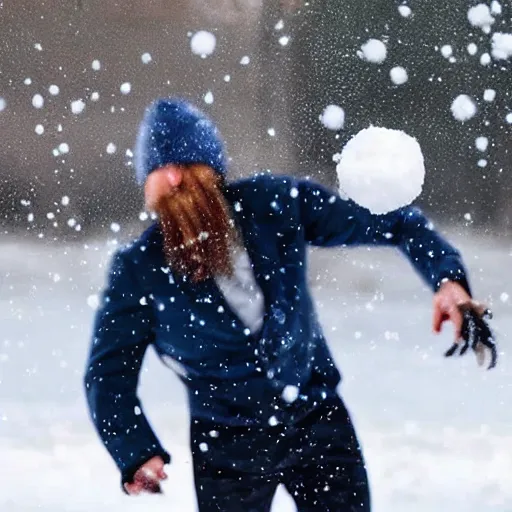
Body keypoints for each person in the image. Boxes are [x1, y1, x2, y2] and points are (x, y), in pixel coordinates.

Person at [84, 98, 481, 511]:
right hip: (227, 443)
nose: (177, 181)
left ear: (213, 172)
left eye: (189, 171)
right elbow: (108, 374)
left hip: (318, 421)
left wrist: (447, 278)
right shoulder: (139, 268)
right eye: (166, 174)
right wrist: (133, 451)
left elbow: (394, 221)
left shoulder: (274, 204)